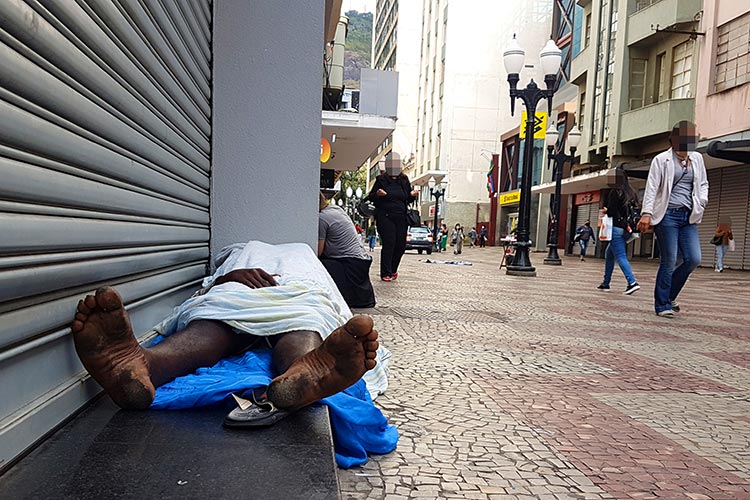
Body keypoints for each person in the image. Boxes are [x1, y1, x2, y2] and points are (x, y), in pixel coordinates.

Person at [70, 241, 380, 425]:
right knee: (299, 317)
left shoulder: (301, 255)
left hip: (283, 289)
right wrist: (227, 277)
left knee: (216, 320)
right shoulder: (240, 254)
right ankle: (304, 368)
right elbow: (330, 294)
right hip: (283, 292)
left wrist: (224, 282)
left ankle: (150, 364)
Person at [638, 121, 709, 317]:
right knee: (669, 260)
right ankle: (662, 305)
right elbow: (652, 188)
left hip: (688, 215)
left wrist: (702, 200)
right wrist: (647, 213)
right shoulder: (661, 160)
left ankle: (668, 295)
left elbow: (703, 183)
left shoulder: (697, 159)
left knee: (693, 259)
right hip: (667, 215)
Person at [367, 152, 419, 281]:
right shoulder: (381, 180)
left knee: (400, 245)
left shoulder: (404, 180)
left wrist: (412, 195)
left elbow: (407, 199)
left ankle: (393, 269)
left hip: (401, 216)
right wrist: (378, 194)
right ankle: (386, 272)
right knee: (389, 243)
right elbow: (371, 197)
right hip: (385, 215)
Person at [318, 193, 376, 308]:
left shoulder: (322, 218)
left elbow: (317, 252)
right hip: (360, 260)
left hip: (348, 264)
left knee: (317, 264)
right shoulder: (336, 209)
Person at [597, 167, 641, 295]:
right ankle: (606, 283)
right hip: (627, 229)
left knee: (621, 256)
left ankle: (632, 282)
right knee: (609, 253)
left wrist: (606, 210)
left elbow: (611, 212)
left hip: (616, 228)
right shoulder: (631, 192)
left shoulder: (615, 192)